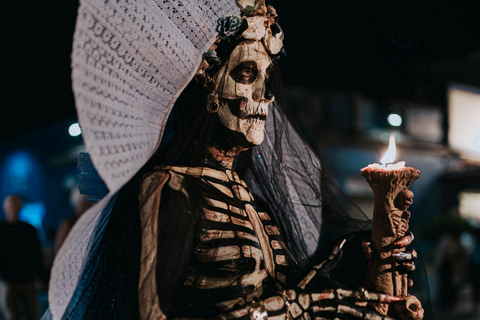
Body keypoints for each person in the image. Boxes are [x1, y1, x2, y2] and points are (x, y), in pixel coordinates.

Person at [43, 0, 432, 319]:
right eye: (247, 72)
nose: (266, 95)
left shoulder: (253, 197)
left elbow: (276, 294)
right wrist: (307, 306)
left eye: (267, 75)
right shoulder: (170, 187)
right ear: (207, 85)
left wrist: (366, 262)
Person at [0, 195, 45, 320]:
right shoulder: (2, 229)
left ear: (20, 207)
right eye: (11, 205)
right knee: (11, 315)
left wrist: (40, 277)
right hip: (8, 280)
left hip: (27, 279)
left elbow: (36, 255)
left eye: (16, 204)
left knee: (32, 314)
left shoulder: (29, 229)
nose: (13, 208)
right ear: (5, 207)